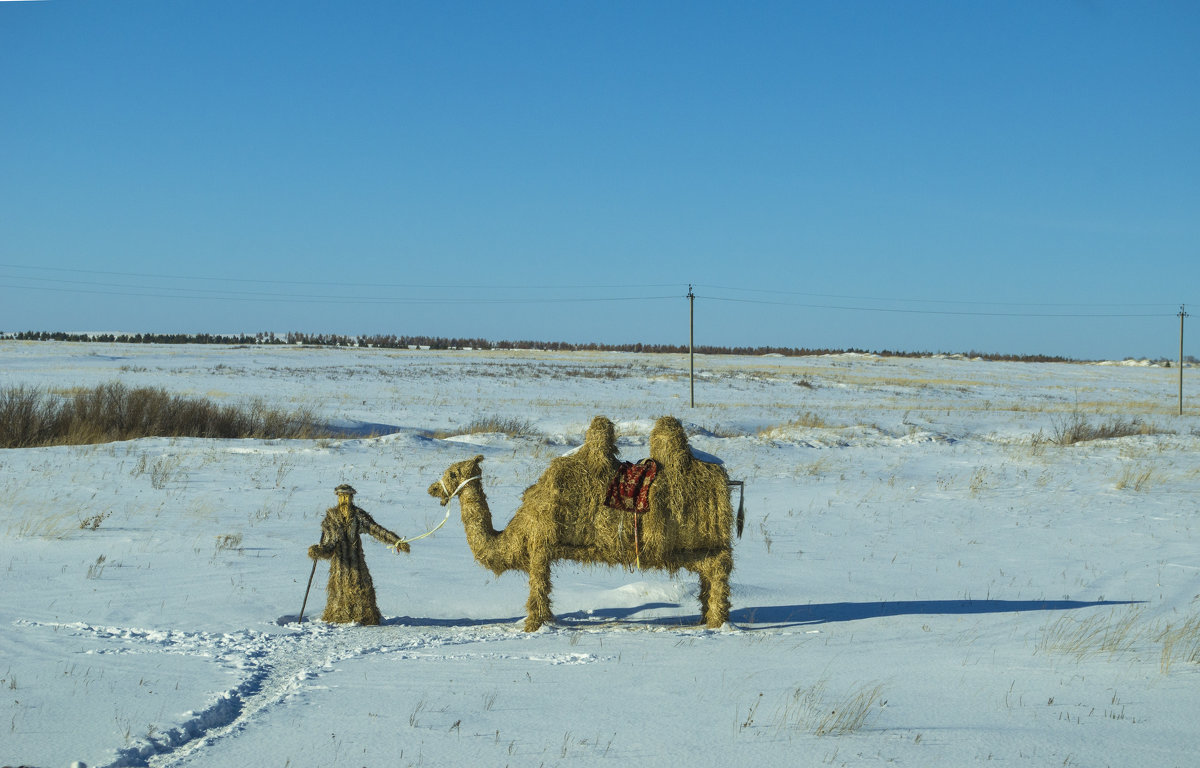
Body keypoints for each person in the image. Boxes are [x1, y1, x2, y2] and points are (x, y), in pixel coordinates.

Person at [307, 484, 409, 625]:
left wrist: (396, 542)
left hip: (357, 563)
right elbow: (329, 545)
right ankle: (338, 617)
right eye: (342, 496)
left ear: (351, 497)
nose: (345, 500)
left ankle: (365, 618)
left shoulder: (358, 516)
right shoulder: (331, 519)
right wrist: (318, 551)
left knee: (361, 590)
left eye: (347, 496)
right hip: (339, 567)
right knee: (340, 593)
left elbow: (376, 530)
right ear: (338, 498)